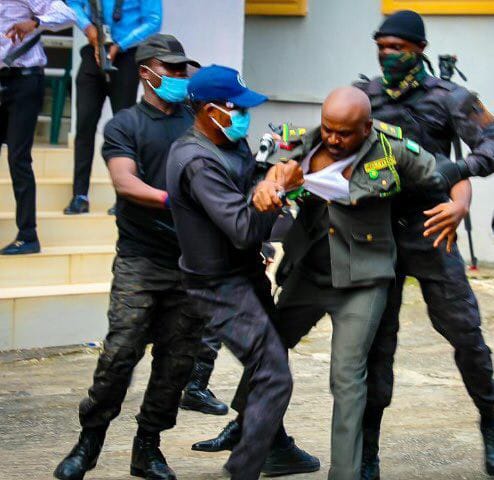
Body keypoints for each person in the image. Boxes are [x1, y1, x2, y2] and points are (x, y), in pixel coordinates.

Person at [194, 86, 452, 480]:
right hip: (309, 274)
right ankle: (252, 431)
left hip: (363, 281)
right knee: (268, 351)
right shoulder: (303, 141)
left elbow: (440, 173)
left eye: (345, 132)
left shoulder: (391, 150)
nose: (334, 138)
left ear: (366, 128)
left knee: (347, 379)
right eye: (329, 128)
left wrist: (460, 202)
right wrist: (268, 186)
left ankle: (344, 474)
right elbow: (276, 172)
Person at [353, 10, 494, 479]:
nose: (389, 55)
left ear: (419, 50)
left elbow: (490, 144)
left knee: (467, 337)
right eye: (383, 46)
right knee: (376, 347)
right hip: (377, 232)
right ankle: (366, 451)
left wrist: (458, 180)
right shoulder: (364, 95)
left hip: (433, 231)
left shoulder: (452, 98)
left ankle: (492, 426)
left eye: (399, 47)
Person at [53, 34, 201, 480]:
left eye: (181, 69)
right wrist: (174, 197)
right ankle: (88, 443)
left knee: (177, 362)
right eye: (169, 68)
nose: (177, 76)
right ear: (146, 72)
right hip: (142, 261)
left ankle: (148, 448)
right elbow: (124, 182)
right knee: (119, 355)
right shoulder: (124, 125)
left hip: (190, 263)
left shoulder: (196, 122)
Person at [166, 64, 303, 480]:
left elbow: (251, 185)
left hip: (243, 273)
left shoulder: (231, 142)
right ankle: (244, 466)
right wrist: (277, 192)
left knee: (272, 351)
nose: (244, 116)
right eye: (236, 108)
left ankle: (266, 440)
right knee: (274, 376)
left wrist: (274, 174)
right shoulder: (196, 161)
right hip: (217, 285)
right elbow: (243, 228)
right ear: (210, 110)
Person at [64, 0, 161, 215]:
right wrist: (88, 28)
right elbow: (73, 4)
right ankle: (79, 195)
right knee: (84, 127)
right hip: (93, 50)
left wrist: (121, 44)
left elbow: (154, 21)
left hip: (126, 55)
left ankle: (124, 197)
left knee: (125, 130)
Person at [0, 0, 75, 255]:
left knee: (18, 158)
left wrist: (36, 22)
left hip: (25, 79)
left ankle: (28, 235)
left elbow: (67, 14)